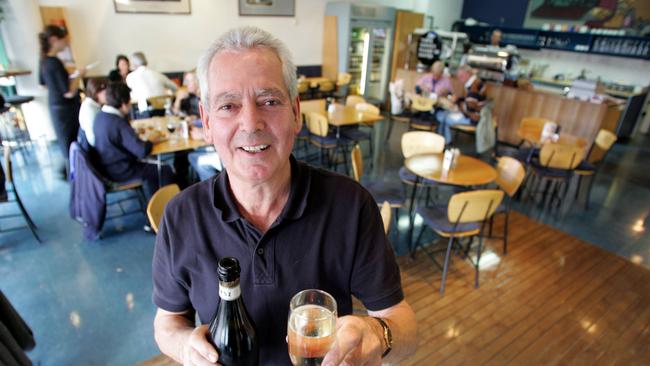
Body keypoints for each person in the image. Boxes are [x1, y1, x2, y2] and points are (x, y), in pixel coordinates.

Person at [152, 26, 417, 365]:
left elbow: (404, 324)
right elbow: (167, 322)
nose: (251, 122)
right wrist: (185, 347)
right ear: (206, 122)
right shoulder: (180, 217)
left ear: (295, 113)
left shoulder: (350, 205)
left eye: (269, 101)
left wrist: (380, 336)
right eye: (228, 106)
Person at [92, 82, 173, 198]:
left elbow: (119, 138)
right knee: (164, 169)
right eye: (129, 101)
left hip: (106, 167)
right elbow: (142, 151)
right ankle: (160, 206)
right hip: (121, 171)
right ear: (124, 104)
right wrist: (152, 139)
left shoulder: (100, 116)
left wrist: (132, 134)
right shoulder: (118, 122)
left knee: (155, 165)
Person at [38, 25, 84, 177]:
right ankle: (77, 176)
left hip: (55, 107)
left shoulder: (44, 60)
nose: (66, 43)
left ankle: (72, 173)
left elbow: (43, 84)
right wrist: (78, 75)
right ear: (54, 40)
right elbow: (69, 92)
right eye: (64, 40)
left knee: (67, 144)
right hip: (66, 109)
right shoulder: (54, 62)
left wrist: (59, 84)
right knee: (73, 142)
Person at [436, 73, 487, 144]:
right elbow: (471, 102)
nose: (460, 79)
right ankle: (443, 139)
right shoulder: (477, 83)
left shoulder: (473, 88)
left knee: (443, 116)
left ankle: (445, 141)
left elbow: (469, 109)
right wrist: (459, 99)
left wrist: (457, 102)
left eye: (460, 77)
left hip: (473, 118)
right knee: (444, 114)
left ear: (465, 75)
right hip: (478, 115)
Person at [125, 51, 177, 116]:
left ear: (133, 64)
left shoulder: (130, 77)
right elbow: (175, 88)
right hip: (162, 112)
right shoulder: (158, 74)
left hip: (142, 113)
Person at [78, 78, 108, 147]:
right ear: (97, 92)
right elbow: (93, 140)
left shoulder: (93, 105)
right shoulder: (89, 109)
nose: (107, 95)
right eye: (105, 93)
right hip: (97, 149)